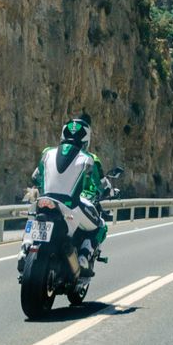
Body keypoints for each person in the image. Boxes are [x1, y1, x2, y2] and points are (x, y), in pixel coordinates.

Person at [23, 113, 108, 274]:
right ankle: (83, 257)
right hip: (71, 205)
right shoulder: (88, 158)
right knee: (99, 226)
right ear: (86, 139)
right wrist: (108, 191)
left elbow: (35, 177)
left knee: (33, 217)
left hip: (44, 200)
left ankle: (24, 248)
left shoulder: (47, 152)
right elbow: (102, 185)